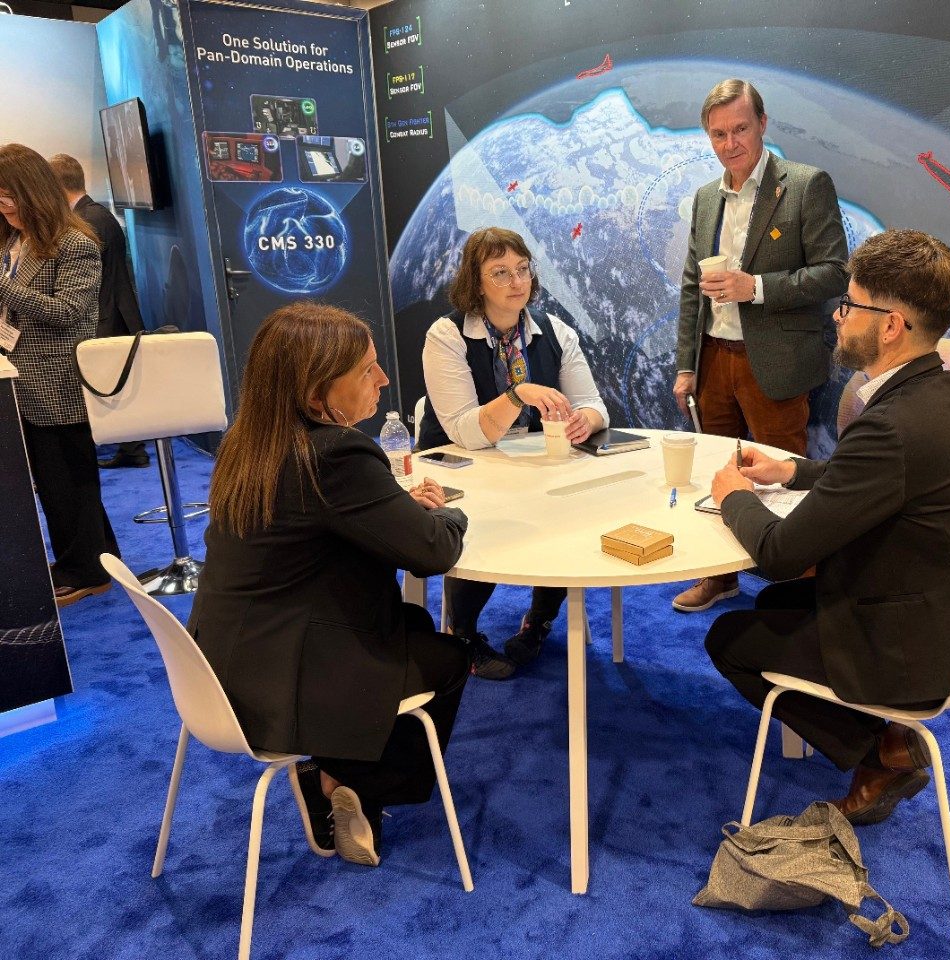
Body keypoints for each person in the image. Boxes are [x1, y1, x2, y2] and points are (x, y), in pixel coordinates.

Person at [703, 230, 950, 826]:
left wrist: (733, 495)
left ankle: (880, 755)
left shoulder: (890, 425)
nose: (837, 317)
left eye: (848, 304)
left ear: (891, 325)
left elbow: (778, 553)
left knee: (729, 639)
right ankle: (883, 741)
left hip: (910, 651)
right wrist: (792, 471)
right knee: (778, 605)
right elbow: (879, 476)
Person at [189, 302, 470, 867]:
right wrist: (447, 515)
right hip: (281, 685)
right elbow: (433, 553)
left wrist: (391, 508)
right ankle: (346, 780)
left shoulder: (251, 441)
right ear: (318, 390)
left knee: (410, 623)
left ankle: (341, 773)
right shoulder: (336, 453)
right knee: (449, 658)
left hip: (217, 668)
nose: (383, 379)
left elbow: (316, 525)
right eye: (366, 370)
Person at [671, 78, 848, 614]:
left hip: (774, 362)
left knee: (784, 477)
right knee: (719, 472)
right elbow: (691, 286)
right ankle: (720, 576)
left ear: (763, 124)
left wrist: (758, 288)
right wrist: (686, 366)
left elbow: (835, 272)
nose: (730, 144)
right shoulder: (706, 198)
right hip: (712, 358)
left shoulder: (806, 185)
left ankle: (797, 593)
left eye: (740, 129)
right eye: (718, 134)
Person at [421, 226, 609, 680]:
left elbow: (594, 404)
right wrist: (517, 393)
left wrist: (586, 421)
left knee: (567, 511)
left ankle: (539, 621)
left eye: (522, 269)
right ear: (476, 281)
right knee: (476, 519)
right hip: (459, 465)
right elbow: (465, 431)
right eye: (500, 272)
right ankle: (463, 635)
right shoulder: (446, 335)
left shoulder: (555, 330)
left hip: (529, 463)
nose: (517, 281)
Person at [0, 143, 119, 607]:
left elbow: (66, 313)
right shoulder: (14, 238)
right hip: (22, 379)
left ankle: (86, 571)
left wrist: (4, 289)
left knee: (69, 480)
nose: (3, 205)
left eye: (8, 195)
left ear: (34, 191)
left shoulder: (75, 244)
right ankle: (98, 557)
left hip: (58, 383)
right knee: (58, 482)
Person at [47, 153, 149, 469]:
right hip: (114, 311)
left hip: (107, 315)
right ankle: (131, 449)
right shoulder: (97, 214)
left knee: (113, 386)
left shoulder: (87, 221)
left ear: (55, 186)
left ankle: (133, 449)